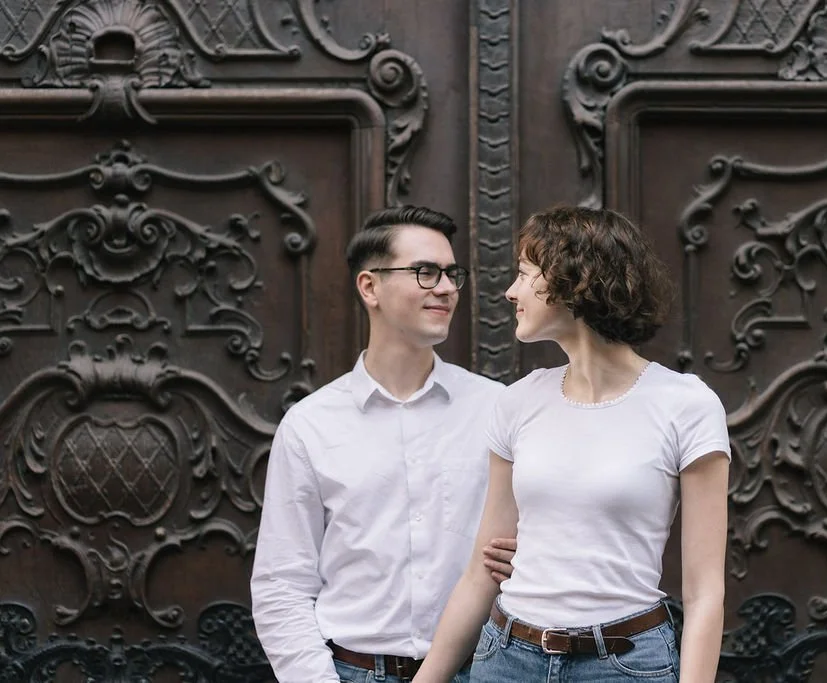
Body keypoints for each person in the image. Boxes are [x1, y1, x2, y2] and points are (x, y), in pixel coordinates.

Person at [412, 206, 731, 683]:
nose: (511, 291)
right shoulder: (518, 402)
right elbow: (482, 572)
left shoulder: (686, 405)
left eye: (524, 274)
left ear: (574, 280)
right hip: (508, 658)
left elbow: (705, 593)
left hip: (624, 664)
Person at [251, 206, 517, 683]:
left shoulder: (497, 409)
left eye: (452, 273)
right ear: (370, 287)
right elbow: (282, 584)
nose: (446, 288)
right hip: (351, 671)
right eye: (425, 272)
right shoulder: (310, 425)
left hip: (481, 670)